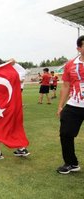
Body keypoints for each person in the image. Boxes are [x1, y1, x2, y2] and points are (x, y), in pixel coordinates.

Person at [56, 35, 84, 174]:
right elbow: (66, 85)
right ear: (79, 48)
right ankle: (71, 163)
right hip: (74, 105)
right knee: (65, 134)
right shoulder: (70, 65)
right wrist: (60, 106)